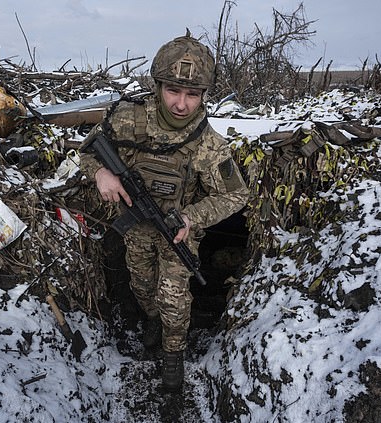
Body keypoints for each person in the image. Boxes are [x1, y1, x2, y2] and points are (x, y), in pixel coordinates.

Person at [80, 32, 249, 392]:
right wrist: (101, 174)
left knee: (174, 296)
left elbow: (236, 196)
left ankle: (174, 355)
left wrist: (192, 218)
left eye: (193, 94)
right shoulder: (127, 119)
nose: (182, 104)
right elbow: (88, 150)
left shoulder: (208, 145)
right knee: (142, 286)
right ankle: (151, 321)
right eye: (173, 90)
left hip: (178, 232)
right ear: (157, 86)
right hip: (136, 228)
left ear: (204, 95)